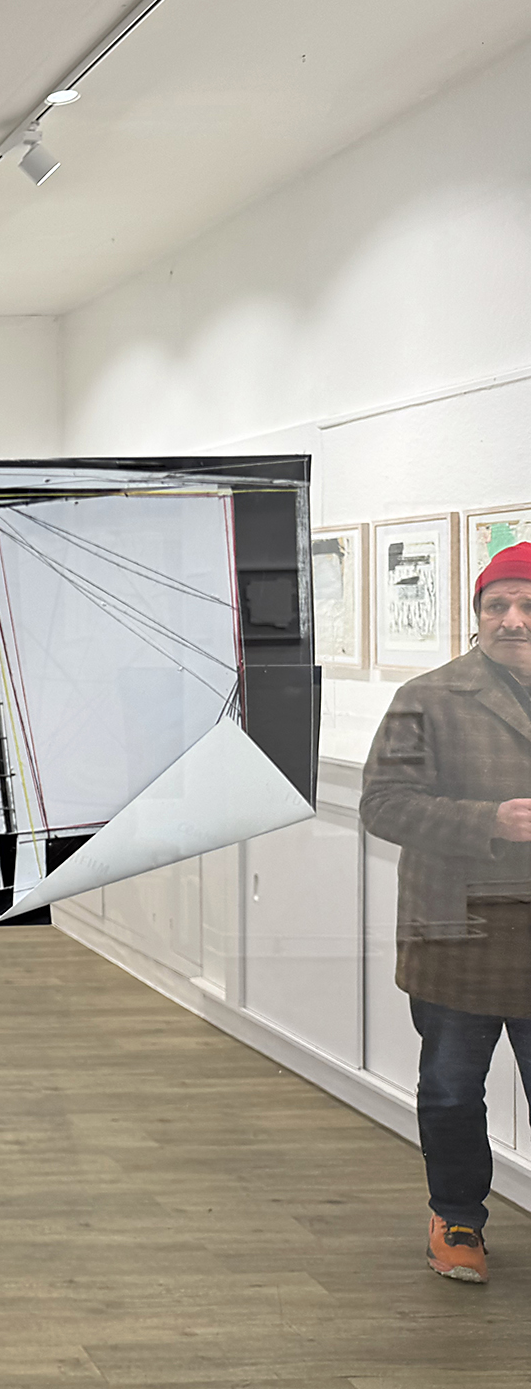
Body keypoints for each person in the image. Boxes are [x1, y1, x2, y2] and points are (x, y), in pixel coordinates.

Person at [360, 538, 531, 1285]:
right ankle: (457, 1218)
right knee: (454, 1090)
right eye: (497, 605)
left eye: (527, 605)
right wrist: (488, 821)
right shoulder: (427, 698)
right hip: (459, 931)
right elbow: (382, 805)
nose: (512, 619)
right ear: (477, 615)